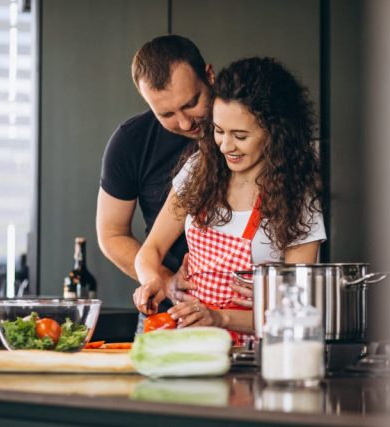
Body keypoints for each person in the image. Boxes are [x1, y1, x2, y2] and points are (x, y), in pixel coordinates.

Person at [133, 57, 327, 339]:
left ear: (276, 133)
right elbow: (149, 252)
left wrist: (218, 317)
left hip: (256, 356)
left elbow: (296, 309)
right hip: (195, 346)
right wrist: (153, 281)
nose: (225, 146)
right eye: (219, 131)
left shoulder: (298, 195)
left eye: (240, 135)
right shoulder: (198, 170)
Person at [96, 35, 215, 310]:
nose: (185, 123)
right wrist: (166, 281)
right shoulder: (131, 141)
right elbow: (112, 234)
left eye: (191, 103)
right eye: (166, 114)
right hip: (169, 310)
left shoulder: (249, 130)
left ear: (209, 76)